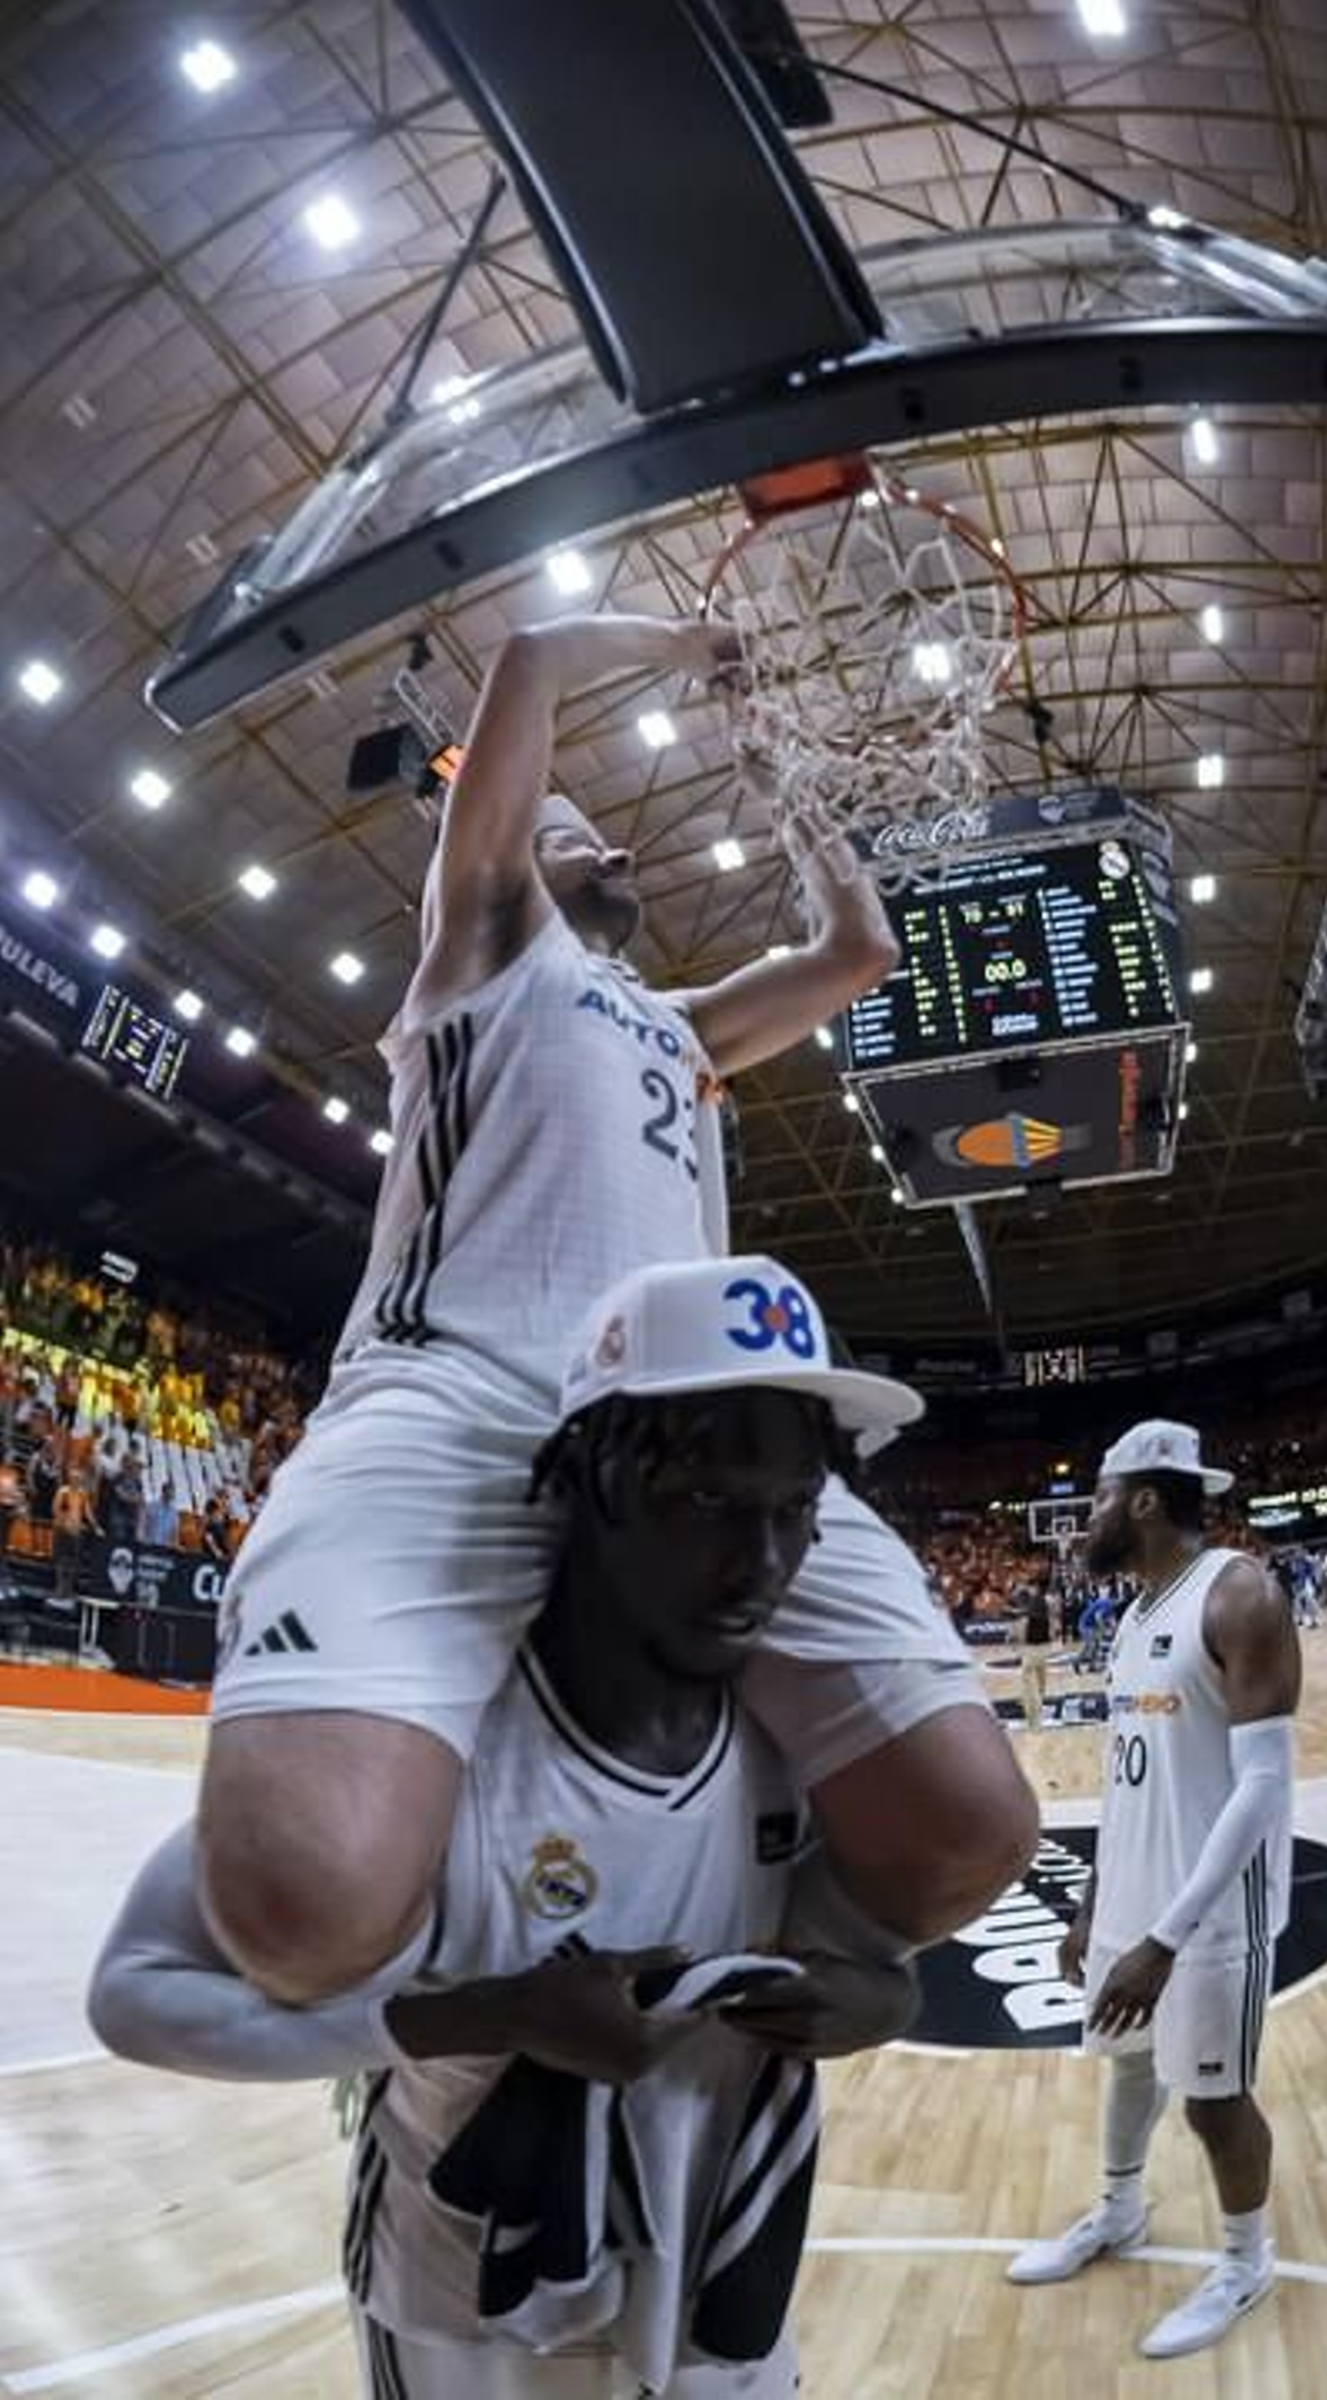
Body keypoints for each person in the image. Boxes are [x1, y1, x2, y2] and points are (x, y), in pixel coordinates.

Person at [198, 610, 1036, 2011]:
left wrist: (784, 786)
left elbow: (863, 952)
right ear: (514, 849)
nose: (624, 850)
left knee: (970, 1829)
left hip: (681, 1441)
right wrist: (685, 642)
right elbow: (526, 654)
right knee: (303, 1904)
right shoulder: (487, 948)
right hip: (455, 1401)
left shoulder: (686, 1025)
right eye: (580, 833)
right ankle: (455, 1997)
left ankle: (740, 1916)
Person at [91, 1256, 925, 2399]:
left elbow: (876, 1966)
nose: (763, 1564)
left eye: (793, 1511)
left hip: (718, 2286)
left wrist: (888, 1999)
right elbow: (134, 1991)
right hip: (458, 2311)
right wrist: (480, 2018)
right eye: (707, 1503)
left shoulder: (802, 1739)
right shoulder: (423, 1755)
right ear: (586, 1479)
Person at [1007, 1419, 1299, 2361]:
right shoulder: (1134, 1615)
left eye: (1093, 1497)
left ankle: (1247, 2262)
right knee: (1126, 2064)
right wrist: (1097, 1904)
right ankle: (1120, 2212)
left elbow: (1261, 1790)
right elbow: (1130, 1778)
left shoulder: (1240, 1593)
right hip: (1134, 1898)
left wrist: (1165, 1937)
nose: (1082, 1518)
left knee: (1215, 2100)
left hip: (1212, 1915)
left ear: (1142, 1499)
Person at [1012, 1577, 1055, 1733]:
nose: (1027, 1589)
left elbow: (1031, 1618)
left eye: (1029, 1586)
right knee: (1040, 1681)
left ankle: (1034, 1723)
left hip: (1034, 1648)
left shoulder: (1037, 1601)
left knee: (1029, 1684)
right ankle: (1031, 1702)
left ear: (1035, 1587)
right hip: (1043, 1646)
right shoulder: (1040, 1600)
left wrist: (1018, 1613)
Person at [51, 1469, 101, 1601]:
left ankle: (68, 1589)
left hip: (76, 1532)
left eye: (79, 1480)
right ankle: (59, 1588)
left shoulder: (82, 1494)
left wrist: (96, 1526)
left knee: (73, 1561)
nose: (77, 1482)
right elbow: (56, 1510)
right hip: (62, 1530)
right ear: (70, 1479)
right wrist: (65, 1524)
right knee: (61, 1560)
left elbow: (88, 1512)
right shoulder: (63, 1492)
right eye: (75, 1479)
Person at [139, 1479, 180, 1551]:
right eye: (169, 1491)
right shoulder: (151, 1506)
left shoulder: (174, 1513)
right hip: (149, 1546)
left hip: (164, 1549)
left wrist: (175, 1546)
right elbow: (142, 1524)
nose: (171, 1494)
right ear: (163, 1492)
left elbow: (175, 1534)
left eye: (172, 1492)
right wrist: (141, 1540)